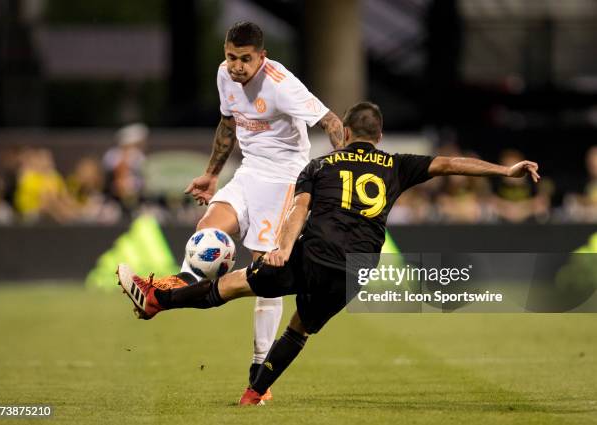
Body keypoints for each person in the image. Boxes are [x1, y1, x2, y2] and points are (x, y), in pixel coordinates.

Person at [117, 101, 540, 405]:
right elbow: (450, 163)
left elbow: (298, 210)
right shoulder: (396, 164)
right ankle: (253, 393)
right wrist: (506, 170)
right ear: (379, 134)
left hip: (311, 256)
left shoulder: (320, 165)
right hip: (355, 272)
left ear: (349, 133)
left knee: (228, 286)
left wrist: (282, 249)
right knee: (299, 329)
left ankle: (158, 299)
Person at [156, 21, 343, 400]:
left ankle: (261, 366)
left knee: (267, 267)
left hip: (284, 177)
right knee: (207, 231)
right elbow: (227, 124)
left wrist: (341, 171)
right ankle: (175, 289)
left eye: (245, 59)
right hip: (248, 171)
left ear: (262, 57)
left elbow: (333, 122)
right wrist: (211, 174)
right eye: (231, 56)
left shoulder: (281, 84)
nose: (237, 65)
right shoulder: (224, 75)